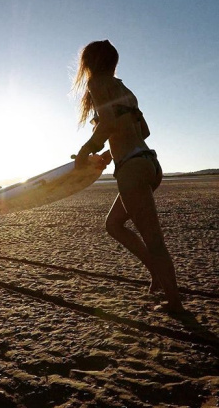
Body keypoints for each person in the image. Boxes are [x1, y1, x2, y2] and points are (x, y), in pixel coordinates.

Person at [73, 40, 184, 313]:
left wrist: (85, 150)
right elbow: (142, 131)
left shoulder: (97, 83)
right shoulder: (124, 88)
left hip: (132, 169)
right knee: (113, 224)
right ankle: (155, 272)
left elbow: (109, 123)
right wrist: (110, 154)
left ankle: (175, 303)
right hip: (149, 163)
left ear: (90, 63)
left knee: (153, 238)